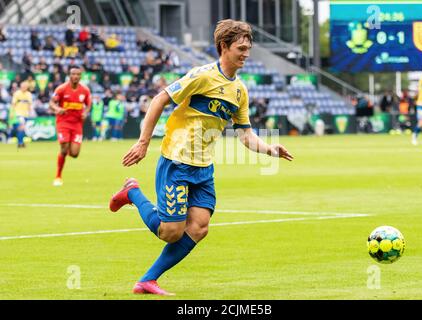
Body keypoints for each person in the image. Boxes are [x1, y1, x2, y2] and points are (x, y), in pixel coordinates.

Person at [108, 19, 293, 296]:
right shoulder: (202, 76)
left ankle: (147, 280)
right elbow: (160, 99)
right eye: (241, 48)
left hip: (203, 168)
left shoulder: (240, 91)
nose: (246, 53)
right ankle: (132, 192)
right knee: (170, 231)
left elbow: (245, 134)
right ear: (224, 47)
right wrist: (143, 142)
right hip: (177, 162)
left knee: (199, 226)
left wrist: (269, 149)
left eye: (248, 48)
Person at [49, 66, 91, 186]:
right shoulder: (61, 89)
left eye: (78, 74)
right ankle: (58, 176)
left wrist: (86, 112)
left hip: (77, 124)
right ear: (69, 75)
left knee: (74, 154)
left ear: (80, 76)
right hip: (63, 123)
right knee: (63, 149)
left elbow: (88, 104)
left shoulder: (85, 90)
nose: (76, 76)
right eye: (73, 74)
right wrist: (58, 108)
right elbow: (51, 102)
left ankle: (65, 151)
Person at [8, 81, 33, 148]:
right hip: (18, 113)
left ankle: (20, 142)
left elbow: (30, 105)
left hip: (26, 114)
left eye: (25, 87)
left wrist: (30, 113)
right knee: (21, 127)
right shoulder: (17, 94)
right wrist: (11, 113)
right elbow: (13, 104)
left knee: (21, 129)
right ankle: (20, 142)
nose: (23, 88)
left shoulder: (29, 94)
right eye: (22, 87)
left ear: (27, 87)